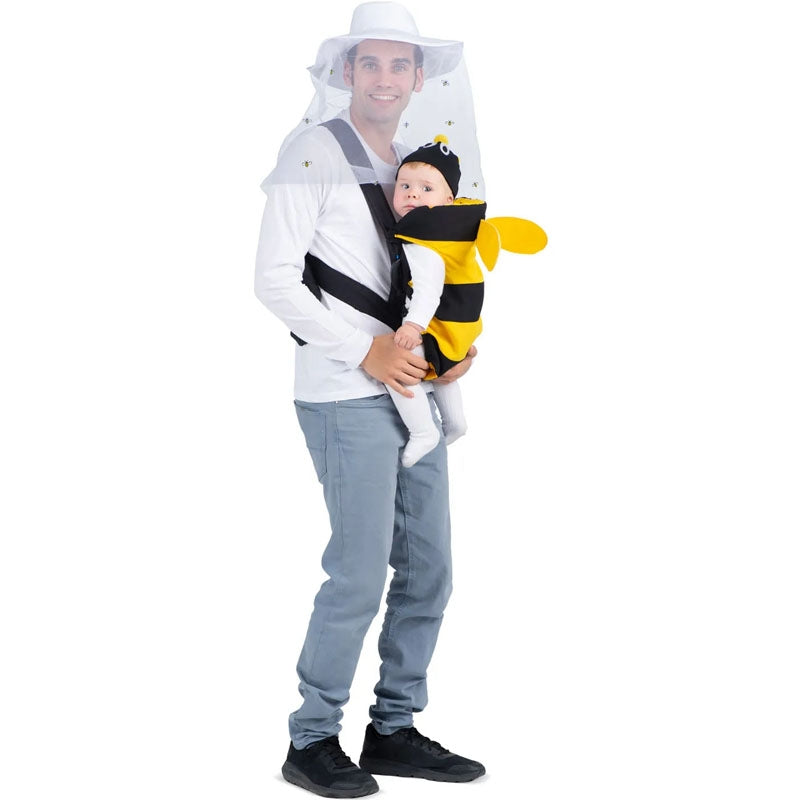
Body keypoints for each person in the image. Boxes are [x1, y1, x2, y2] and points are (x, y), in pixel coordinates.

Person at [254, 3, 486, 797]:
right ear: (346, 71)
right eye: (370, 63)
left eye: (399, 65)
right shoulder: (313, 151)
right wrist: (368, 351)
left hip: (412, 393)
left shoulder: (413, 168)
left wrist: (447, 356)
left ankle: (393, 727)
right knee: (357, 574)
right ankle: (312, 739)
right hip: (343, 394)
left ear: (419, 78)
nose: (385, 78)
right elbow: (274, 280)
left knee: (429, 570)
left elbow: (431, 276)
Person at [387, 136, 471, 468]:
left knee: (399, 366)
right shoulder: (451, 230)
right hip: (455, 322)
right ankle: (455, 422)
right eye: (405, 185)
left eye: (426, 188)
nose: (412, 194)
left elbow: (428, 288)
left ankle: (423, 431)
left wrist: (412, 325)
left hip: (430, 320)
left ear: (449, 199)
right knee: (440, 369)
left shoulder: (422, 237)